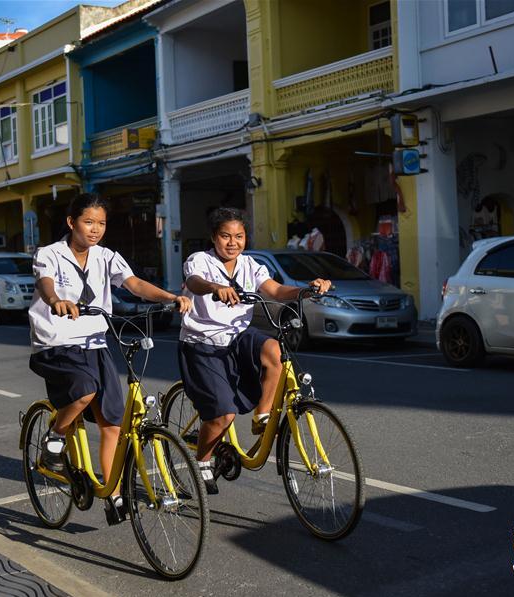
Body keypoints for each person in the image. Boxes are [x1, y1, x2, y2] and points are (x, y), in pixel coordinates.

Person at [28, 193, 192, 524]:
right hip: (56, 343)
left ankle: (113, 493)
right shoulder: (50, 254)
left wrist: (171, 297)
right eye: (88, 222)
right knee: (84, 390)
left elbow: (134, 284)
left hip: (95, 342)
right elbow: (45, 284)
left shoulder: (106, 257)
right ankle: (55, 437)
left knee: (112, 423)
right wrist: (57, 300)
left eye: (101, 223)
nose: (95, 229)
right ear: (72, 222)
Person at [177, 207, 331, 494]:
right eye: (225, 236)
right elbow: (195, 283)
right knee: (223, 415)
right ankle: (202, 461)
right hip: (203, 342)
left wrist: (306, 291)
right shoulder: (200, 261)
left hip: (237, 338)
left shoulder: (251, 265)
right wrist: (215, 287)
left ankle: (262, 415)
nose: (232, 242)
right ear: (213, 237)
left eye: (239, 236)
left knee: (274, 349)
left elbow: (274, 290)